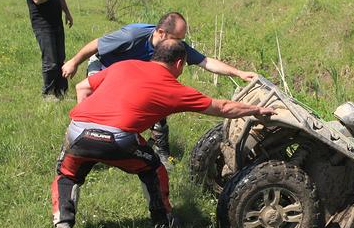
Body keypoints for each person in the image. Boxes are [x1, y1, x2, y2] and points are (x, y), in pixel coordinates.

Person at [49, 39, 275, 228]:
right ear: (178, 63)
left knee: (67, 175)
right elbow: (223, 108)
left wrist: (91, 122)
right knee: (153, 169)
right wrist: (256, 110)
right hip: (118, 139)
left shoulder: (125, 65)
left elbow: (82, 87)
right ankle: (163, 223)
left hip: (77, 131)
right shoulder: (172, 88)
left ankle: (63, 227)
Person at [61, 12, 257, 166]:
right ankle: (85, 142)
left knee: (157, 99)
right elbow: (96, 45)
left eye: (182, 39)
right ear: (161, 33)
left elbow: (206, 61)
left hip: (134, 76)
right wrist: (74, 62)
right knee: (98, 106)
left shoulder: (171, 45)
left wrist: (238, 73)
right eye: (177, 38)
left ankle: (160, 149)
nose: (180, 43)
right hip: (105, 68)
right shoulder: (132, 35)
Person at [22, 0, 74, 99]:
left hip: (56, 21)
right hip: (42, 24)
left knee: (60, 59)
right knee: (50, 61)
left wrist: (67, 12)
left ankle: (62, 92)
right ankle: (48, 95)